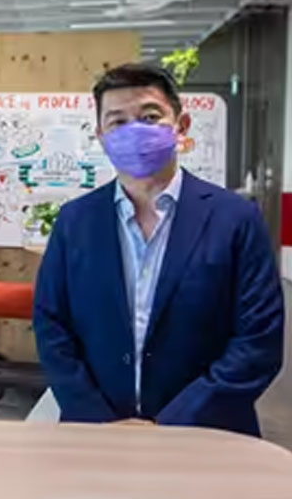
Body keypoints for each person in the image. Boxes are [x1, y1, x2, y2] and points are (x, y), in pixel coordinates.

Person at [33, 63, 284, 436]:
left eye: (150, 117)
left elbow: (258, 339)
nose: (134, 131)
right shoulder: (75, 221)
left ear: (180, 127)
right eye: (117, 122)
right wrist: (100, 420)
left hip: (207, 435)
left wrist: (170, 425)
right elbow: (51, 326)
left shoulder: (236, 219)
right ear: (101, 135)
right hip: (96, 435)